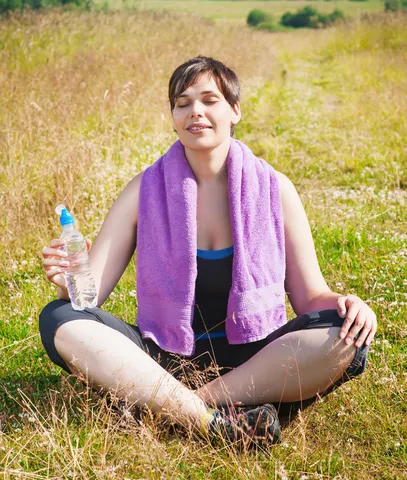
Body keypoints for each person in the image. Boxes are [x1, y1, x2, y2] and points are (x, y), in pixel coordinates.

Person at [39, 56, 377, 449]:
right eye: (182, 103)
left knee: (346, 335)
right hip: (164, 356)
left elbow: (309, 297)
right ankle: (219, 422)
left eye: (208, 99)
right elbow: (89, 295)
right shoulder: (143, 191)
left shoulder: (275, 189)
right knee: (59, 319)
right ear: (173, 117)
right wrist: (69, 283)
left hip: (256, 358)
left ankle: (184, 407)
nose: (194, 111)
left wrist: (347, 303)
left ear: (235, 110)